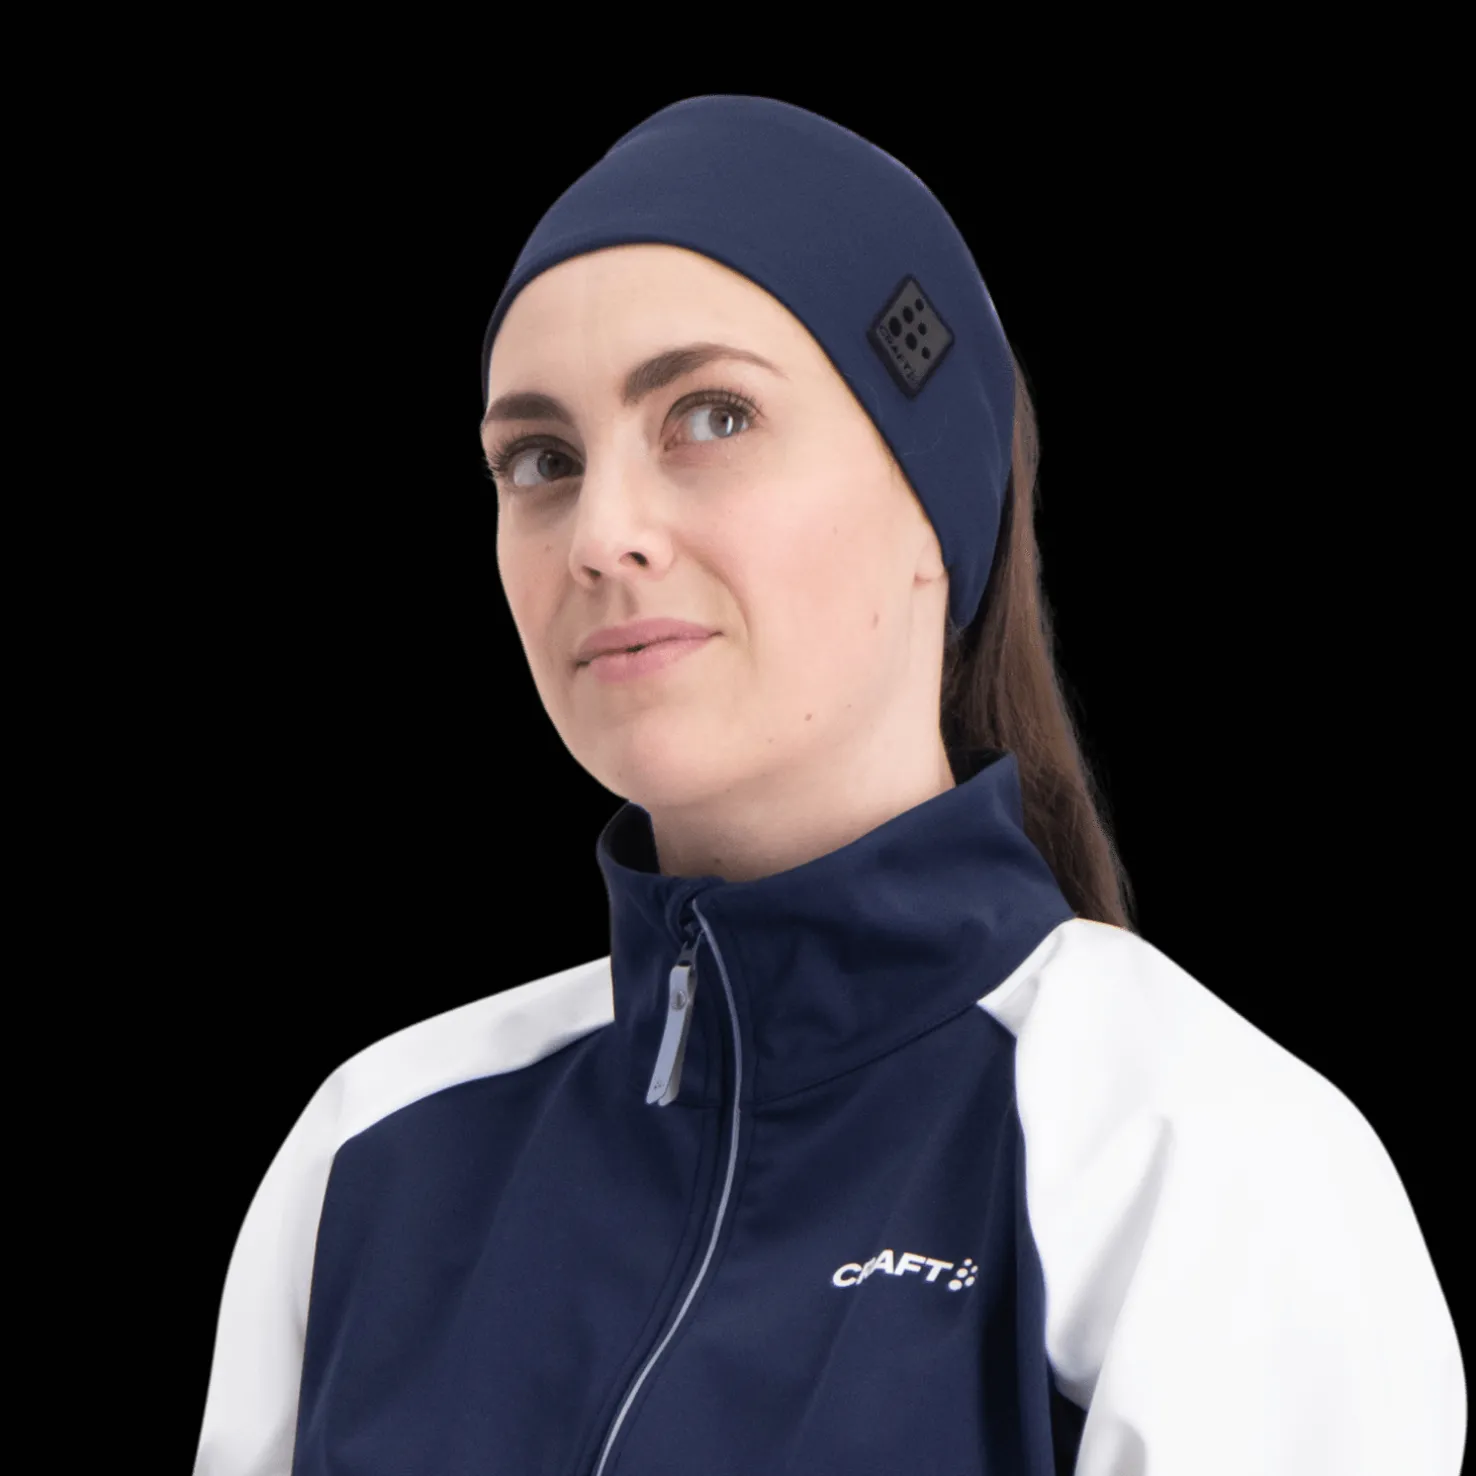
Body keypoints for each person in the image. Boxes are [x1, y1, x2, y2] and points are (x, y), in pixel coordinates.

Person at [192, 97, 1466, 1476]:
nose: (601, 535)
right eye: (541, 460)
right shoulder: (377, 1151)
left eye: (712, 416)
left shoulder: (1190, 1151)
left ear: (933, 504)